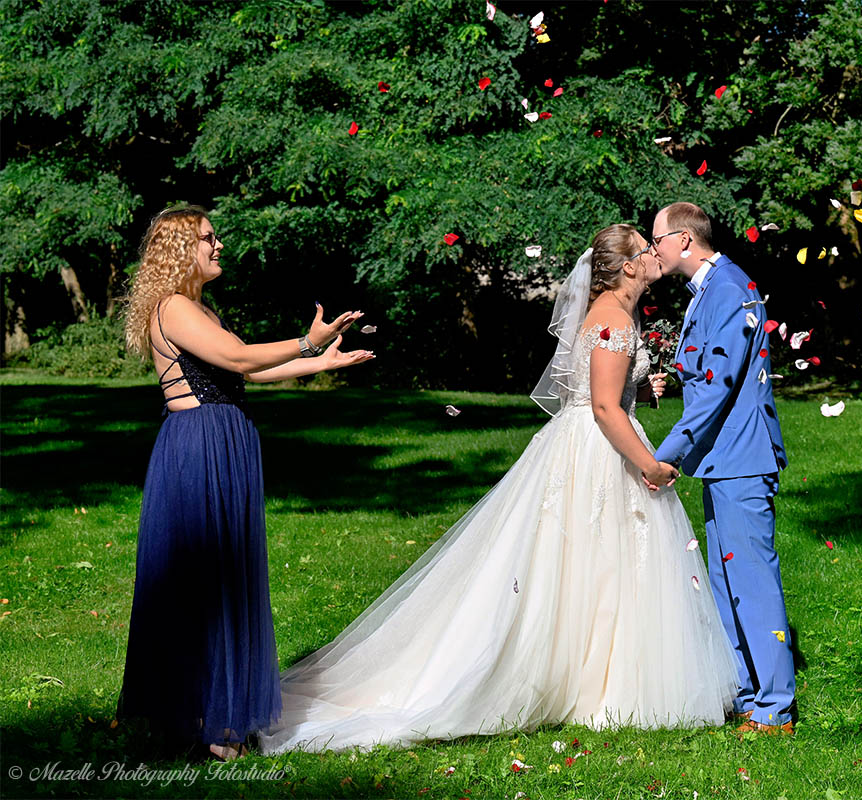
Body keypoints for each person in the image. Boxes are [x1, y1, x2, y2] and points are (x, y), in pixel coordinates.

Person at [256, 224, 739, 754]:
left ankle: (593, 679)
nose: (655, 257)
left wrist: (639, 386)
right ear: (627, 266)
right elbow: (602, 408)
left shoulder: (609, 316)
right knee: (603, 558)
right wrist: (650, 463)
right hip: (600, 449)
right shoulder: (614, 319)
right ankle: (598, 685)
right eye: (647, 251)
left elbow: (602, 389)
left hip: (586, 443)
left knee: (591, 563)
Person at [118, 205, 375, 760]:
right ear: (177, 248)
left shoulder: (201, 310)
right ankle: (206, 721)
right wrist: (304, 343)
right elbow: (238, 355)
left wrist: (320, 362)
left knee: (224, 578)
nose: (218, 245)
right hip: (200, 448)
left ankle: (214, 712)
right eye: (207, 238)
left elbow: (245, 369)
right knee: (204, 581)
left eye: (215, 236)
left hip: (222, 444)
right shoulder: (175, 307)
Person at [648, 202, 794, 735]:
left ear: (684, 240)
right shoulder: (713, 289)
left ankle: (775, 708)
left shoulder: (728, 290)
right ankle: (746, 694)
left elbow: (715, 385)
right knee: (726, 579)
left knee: (750, 580)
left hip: (740, 457)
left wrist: (667, 454)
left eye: (657, 238)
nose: (651, 248)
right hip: (723, 458)